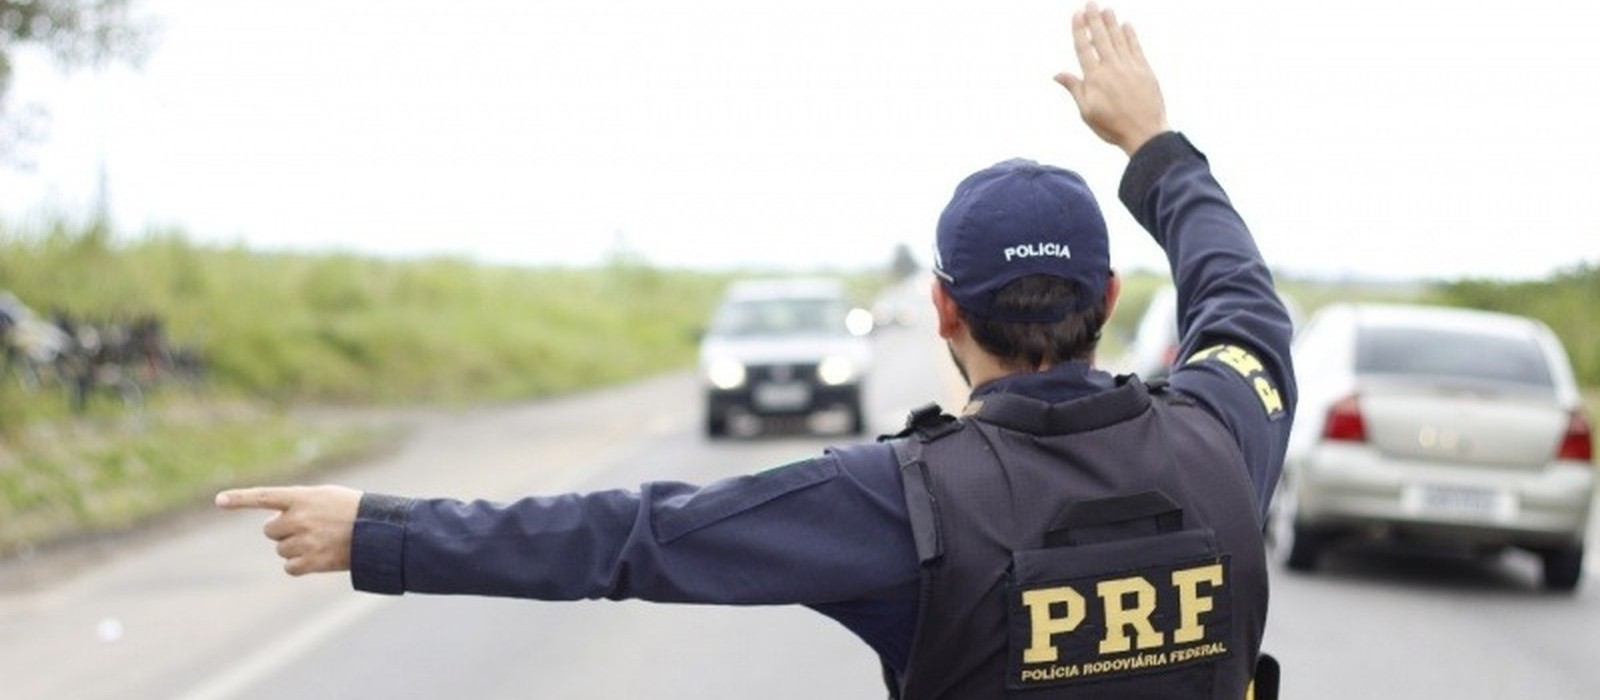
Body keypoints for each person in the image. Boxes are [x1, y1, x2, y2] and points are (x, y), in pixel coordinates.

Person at [218, 4, 1295, 698]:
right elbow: (1241, 300)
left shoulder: (907, 502)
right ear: (1107, 296)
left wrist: (381, 534)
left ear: (940, 310)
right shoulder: (1221, 434)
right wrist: (1153, 145)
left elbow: (632, 537)